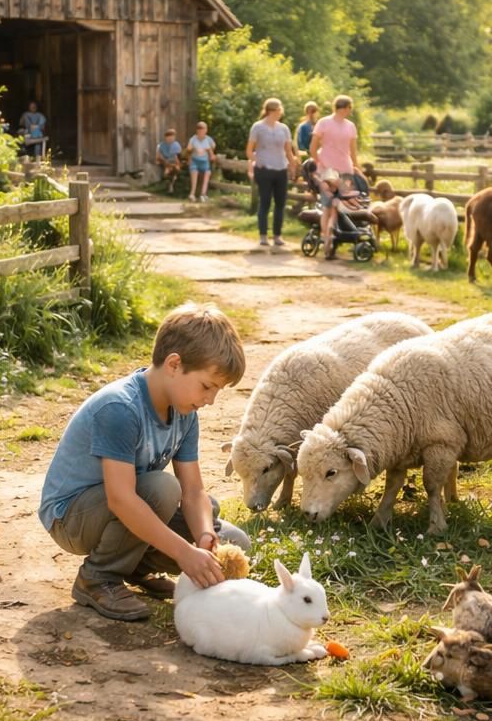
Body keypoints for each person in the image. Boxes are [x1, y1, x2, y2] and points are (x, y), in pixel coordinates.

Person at [38, 302, 254, 621]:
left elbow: (194, 492)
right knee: (162, 488)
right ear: (174, 364)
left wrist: (205, 537)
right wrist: (183, 552)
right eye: (207, 386)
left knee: (233, 540)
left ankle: (134, 565)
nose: (210, 400)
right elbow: (122, 499)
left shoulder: (185, 414)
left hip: (124, 508)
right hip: (71, 517)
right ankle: (97, 577)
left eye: (217, 391)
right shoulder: (120, 408)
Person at [308, 94, 360, 259]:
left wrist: (318, 163)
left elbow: (313, 147)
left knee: (327, 206)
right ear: (345, 108)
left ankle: (326, 236)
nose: (350, 111)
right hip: (345, 169)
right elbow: (353, 151)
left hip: (328, 170)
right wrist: (356, 166)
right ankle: (333, 234)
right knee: (339, 206)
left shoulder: (323, 122)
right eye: (350, 108)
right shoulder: (351, 126)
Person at [246, 97, 300, 248]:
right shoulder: (258, 127)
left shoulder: (283, 128)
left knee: (280, 203)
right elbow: (249, 150)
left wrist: (292, 165)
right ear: (271, 111)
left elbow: (288, 150)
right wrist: (257, 162)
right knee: (265, 202)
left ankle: (277, 235)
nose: (280, 112)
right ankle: (263, 235)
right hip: (264, 169)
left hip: (281, 168)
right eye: (278, 110)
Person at [186, 121, 217, 202]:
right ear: (197, 131)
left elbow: (213, 147)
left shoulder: (208, 139)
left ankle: (203, 194)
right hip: (194, 160)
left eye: (203, 130)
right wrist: (195, 148)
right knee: (194, 173)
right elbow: (188, 149)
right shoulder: (193, 139)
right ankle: (192, 194)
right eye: (199, 131)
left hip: (204, 161)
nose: (201, 132)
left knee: (207, 173)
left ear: (206, 130)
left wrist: (209, 151)